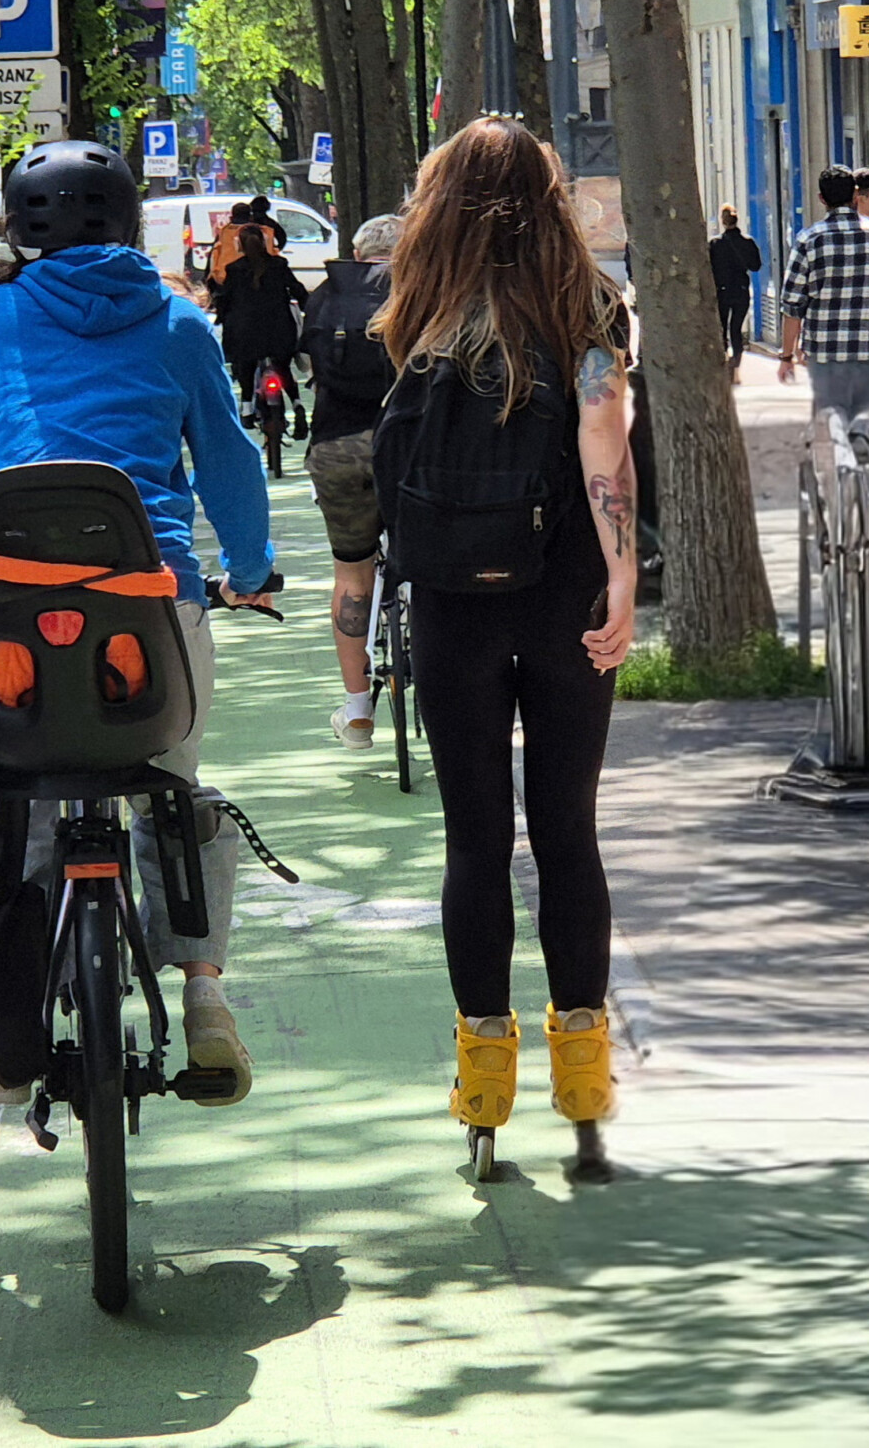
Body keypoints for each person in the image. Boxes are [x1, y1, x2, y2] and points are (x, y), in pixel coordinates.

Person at [0, 140, 276, 1108]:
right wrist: (247, 567)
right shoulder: (182, 323)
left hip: (5, 619)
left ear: (18, 228)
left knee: (10, 794)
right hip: (145, 617)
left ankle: (6, 1026)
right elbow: (229, 462)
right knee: (172, 787)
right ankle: (202, 999)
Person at [373, 118, 635, 1156]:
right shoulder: (588, 306)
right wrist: (620, 575)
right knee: (567, 831)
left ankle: (483, 1095)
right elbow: (601, 433)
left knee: (475, 840)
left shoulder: (418, 312)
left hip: (450, 600)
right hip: (564, 593)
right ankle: (582, 1083)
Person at [302, 212, 401, 749]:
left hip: (338, 449)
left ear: (358, 255)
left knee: (352, 575)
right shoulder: (425, 292)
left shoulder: (325, 298)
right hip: (411, 450)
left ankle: (358, 711)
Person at [776, 165, 869, 419]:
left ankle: (842, 449)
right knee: (867, 413)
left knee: (832, 416)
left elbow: (792, 305)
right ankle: (861, 445)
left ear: (822, 199)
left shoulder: (808, 240)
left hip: (824, 354)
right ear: (855, 195)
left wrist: (787, 355)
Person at [214, 223, 309, 436]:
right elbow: (298, 290)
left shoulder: (235, 270)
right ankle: (297, 404)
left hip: (246, 333)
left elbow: (224, 300)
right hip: (279, 331)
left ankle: (246, 409)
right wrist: (308, 308)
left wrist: (221, 315)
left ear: (241, 245)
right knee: (283, 367)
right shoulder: (279, 265)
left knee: (246, 367)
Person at [707, 206, 763, 375]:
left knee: (722, 326)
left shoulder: (715, 244)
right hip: (741, 289)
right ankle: (737, 359)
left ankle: (724, 358)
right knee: (736, 327)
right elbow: (756, 266)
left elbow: (708, 268)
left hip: (722, 290)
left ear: (722, 221)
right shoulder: (747, 242)